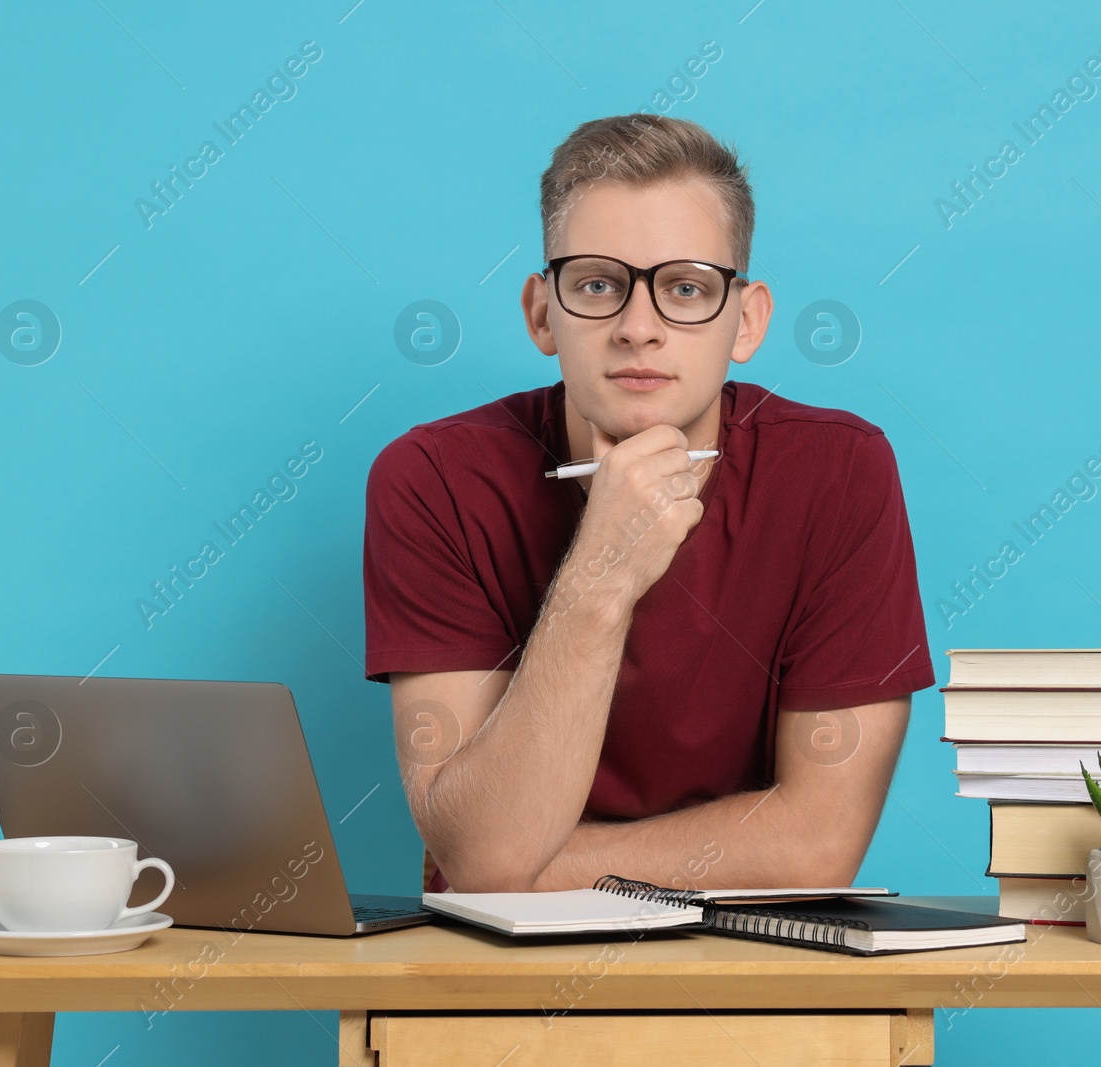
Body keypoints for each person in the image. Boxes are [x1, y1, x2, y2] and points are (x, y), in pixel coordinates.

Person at [363, 114, 933, 894]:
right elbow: (486, 855)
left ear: (747, 320)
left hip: (756, 970)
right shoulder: (431, 479)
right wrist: (602, 573)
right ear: (541, 313)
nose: (639, 328)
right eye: (597, 284)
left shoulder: (841, 473)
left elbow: (818, 844)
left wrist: (534, 867)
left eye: (687, 288)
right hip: (492, 982)